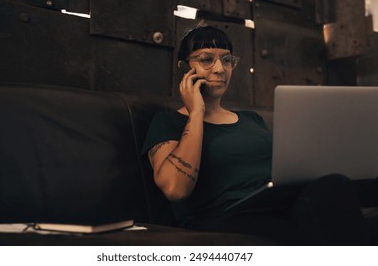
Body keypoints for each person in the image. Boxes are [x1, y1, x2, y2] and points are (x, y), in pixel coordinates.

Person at [141, 25, 371, 245]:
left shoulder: (252, 120)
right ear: (184, 68)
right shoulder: (169, 122)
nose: (220, 69)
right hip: (227, 217)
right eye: (206, 59)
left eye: (227, 59)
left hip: (278, 201)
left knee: (335, 186)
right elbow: (175, 188)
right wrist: (197, 112)